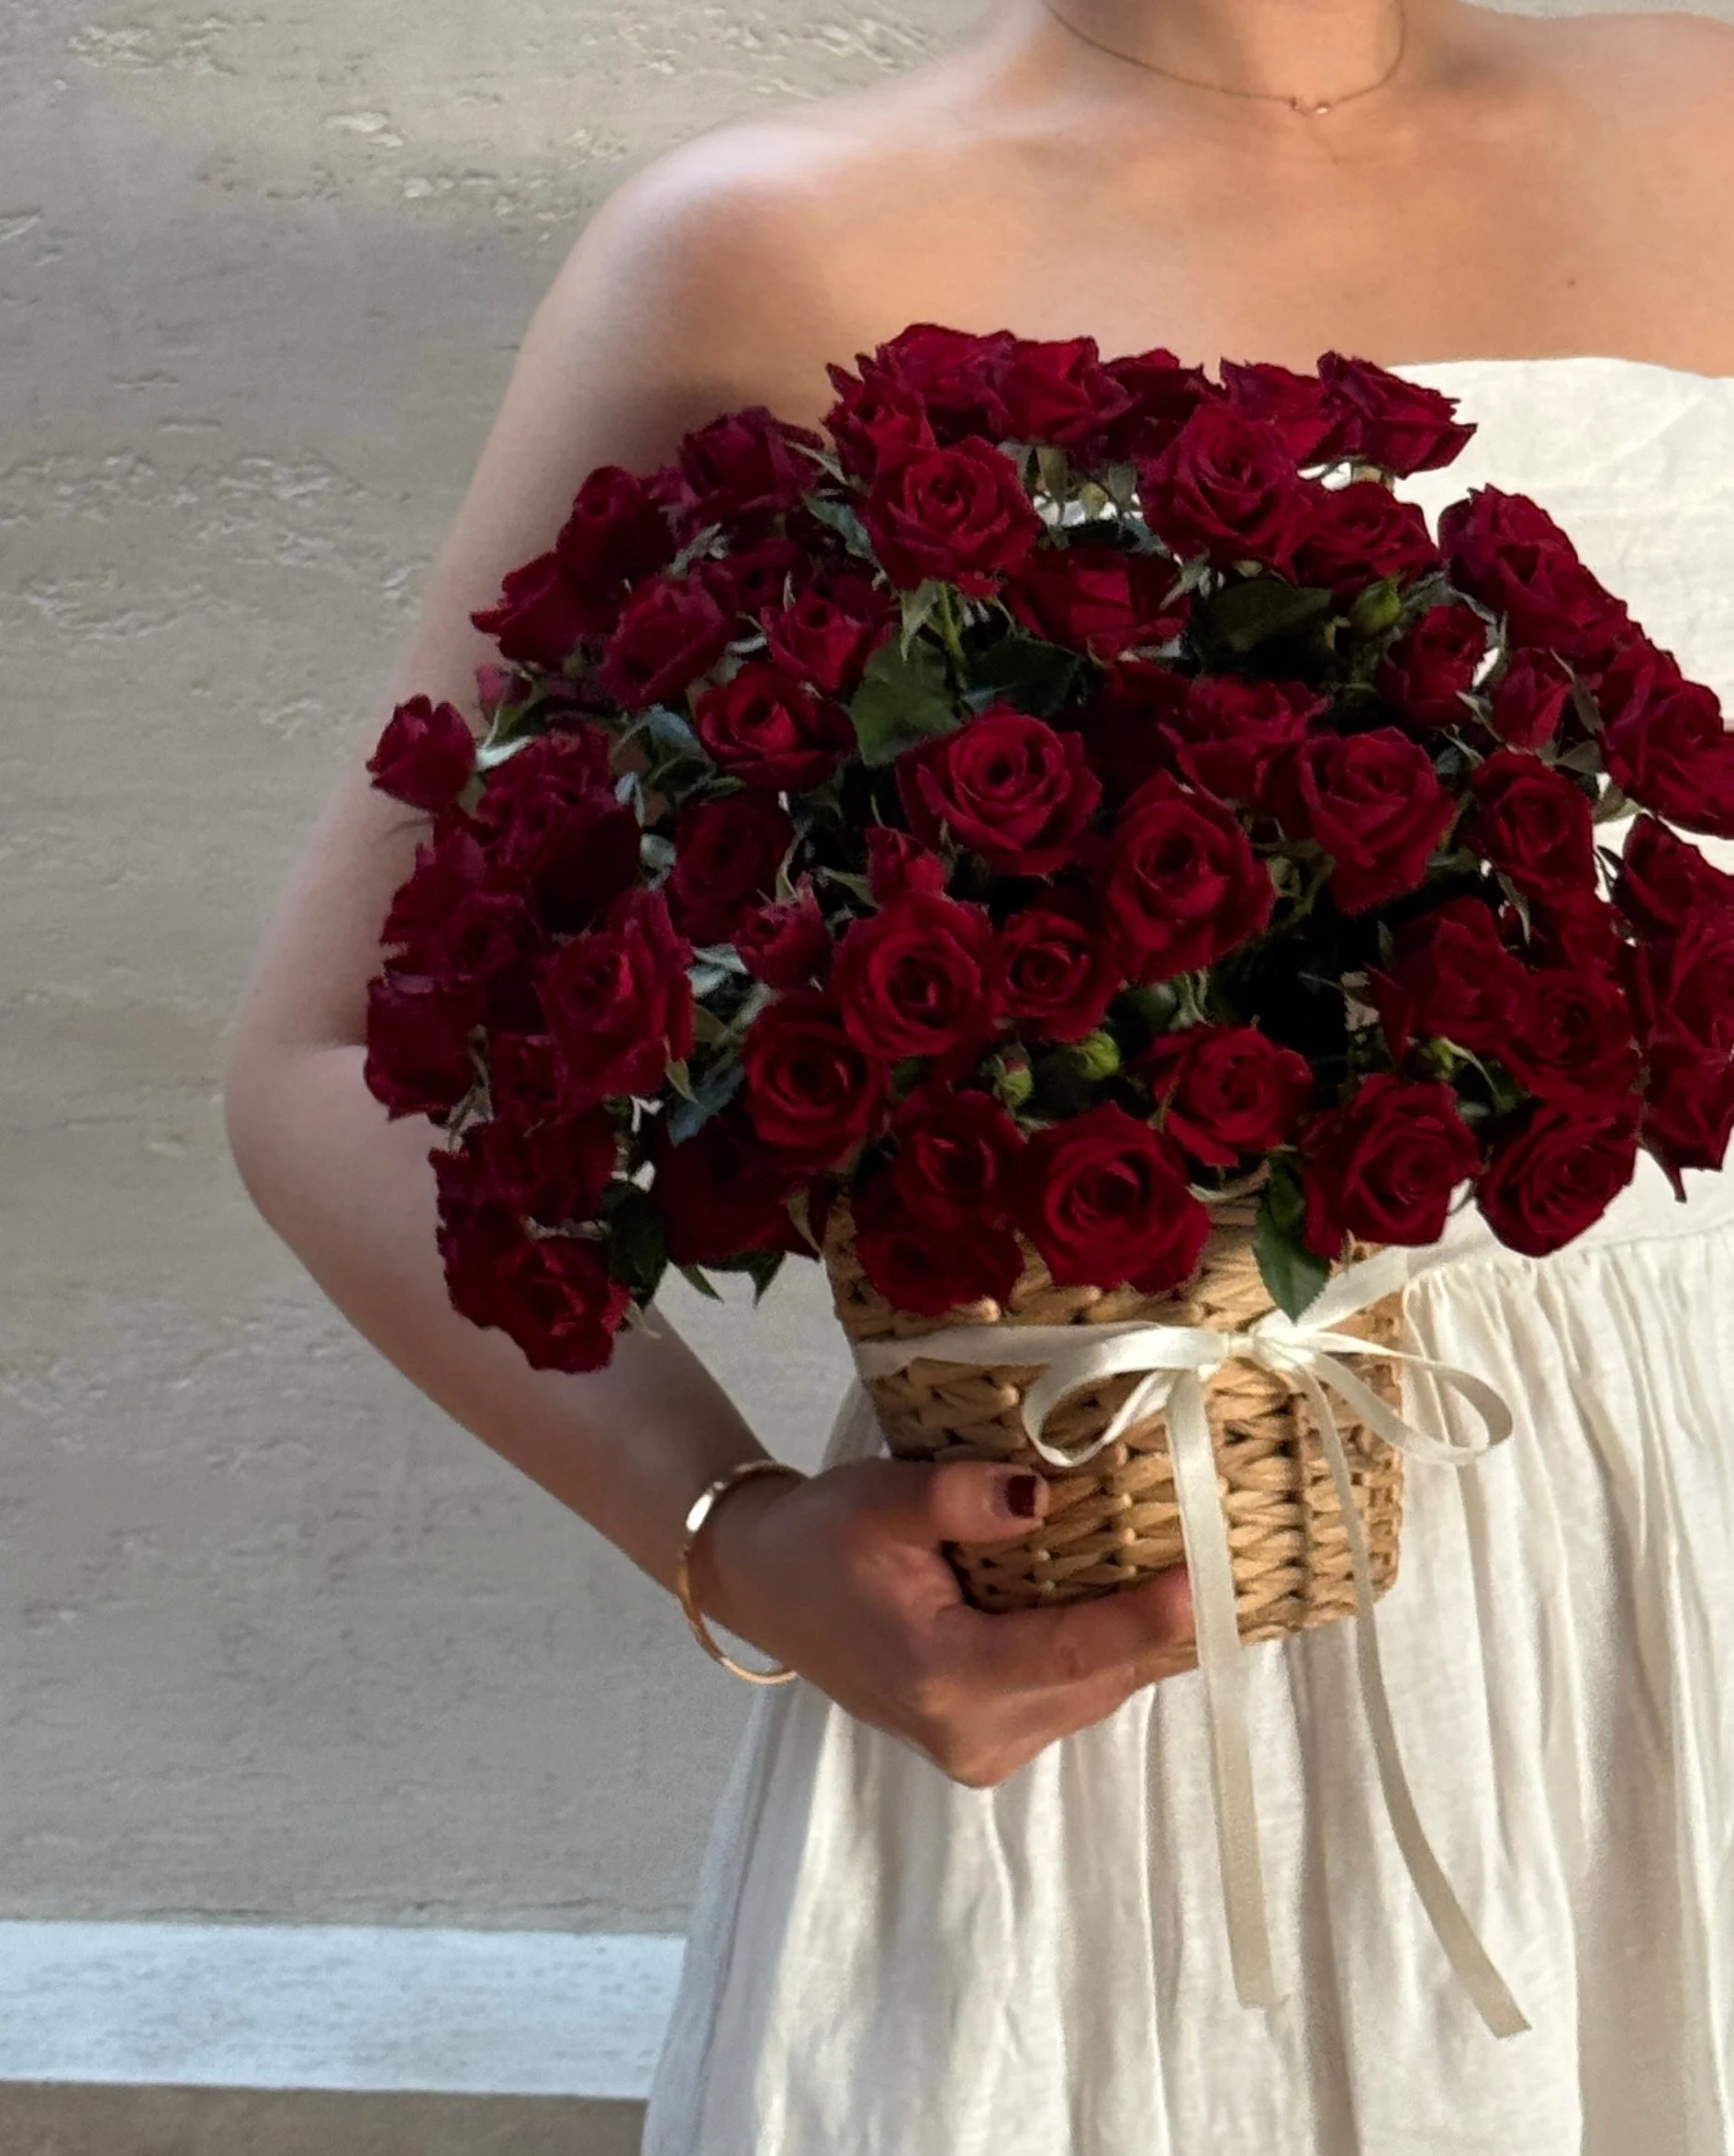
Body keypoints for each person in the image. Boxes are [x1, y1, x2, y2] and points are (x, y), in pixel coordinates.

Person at [221, 1, 1734, 2147]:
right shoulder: (768, 248)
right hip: (1131, 1636)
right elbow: (324, 1058)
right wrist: (730, 1536)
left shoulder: (1713, 113)